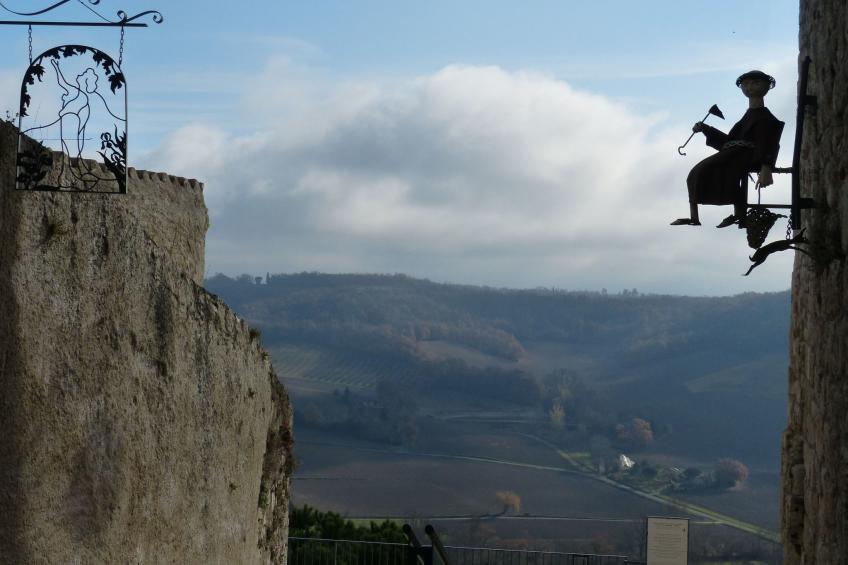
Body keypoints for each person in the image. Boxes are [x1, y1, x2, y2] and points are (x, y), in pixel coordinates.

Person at [671, 70, 784, 227]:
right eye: (746, 84)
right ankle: (696, 217)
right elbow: (730, 141)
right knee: (700, 173)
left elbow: (769, 142)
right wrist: (705, 128)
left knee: (704, 171)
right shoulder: (748, 116)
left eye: (756, 83)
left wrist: (766, 167)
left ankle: (736, 214)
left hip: (746, 156)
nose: (750, 87)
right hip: (735, 153)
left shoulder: (766, 118)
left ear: (766, 87)